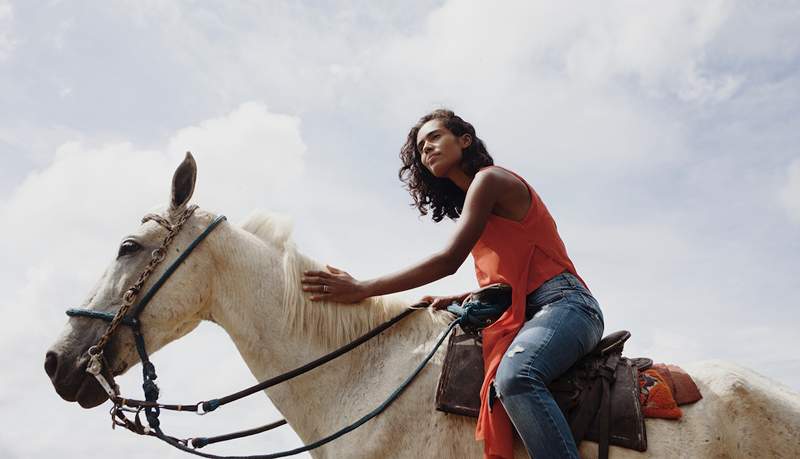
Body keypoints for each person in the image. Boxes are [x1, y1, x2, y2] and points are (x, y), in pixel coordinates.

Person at [301, 109, 605, 459]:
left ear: (464, 140)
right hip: (528, 310)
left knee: (516, 378)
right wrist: (464, 296)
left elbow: (448, 261)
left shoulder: (490, 180)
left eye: (434, 137)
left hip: (566, 304)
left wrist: (362, 288)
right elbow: (513, 278)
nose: (426, 149)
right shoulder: (479, 203)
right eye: (420, 148)